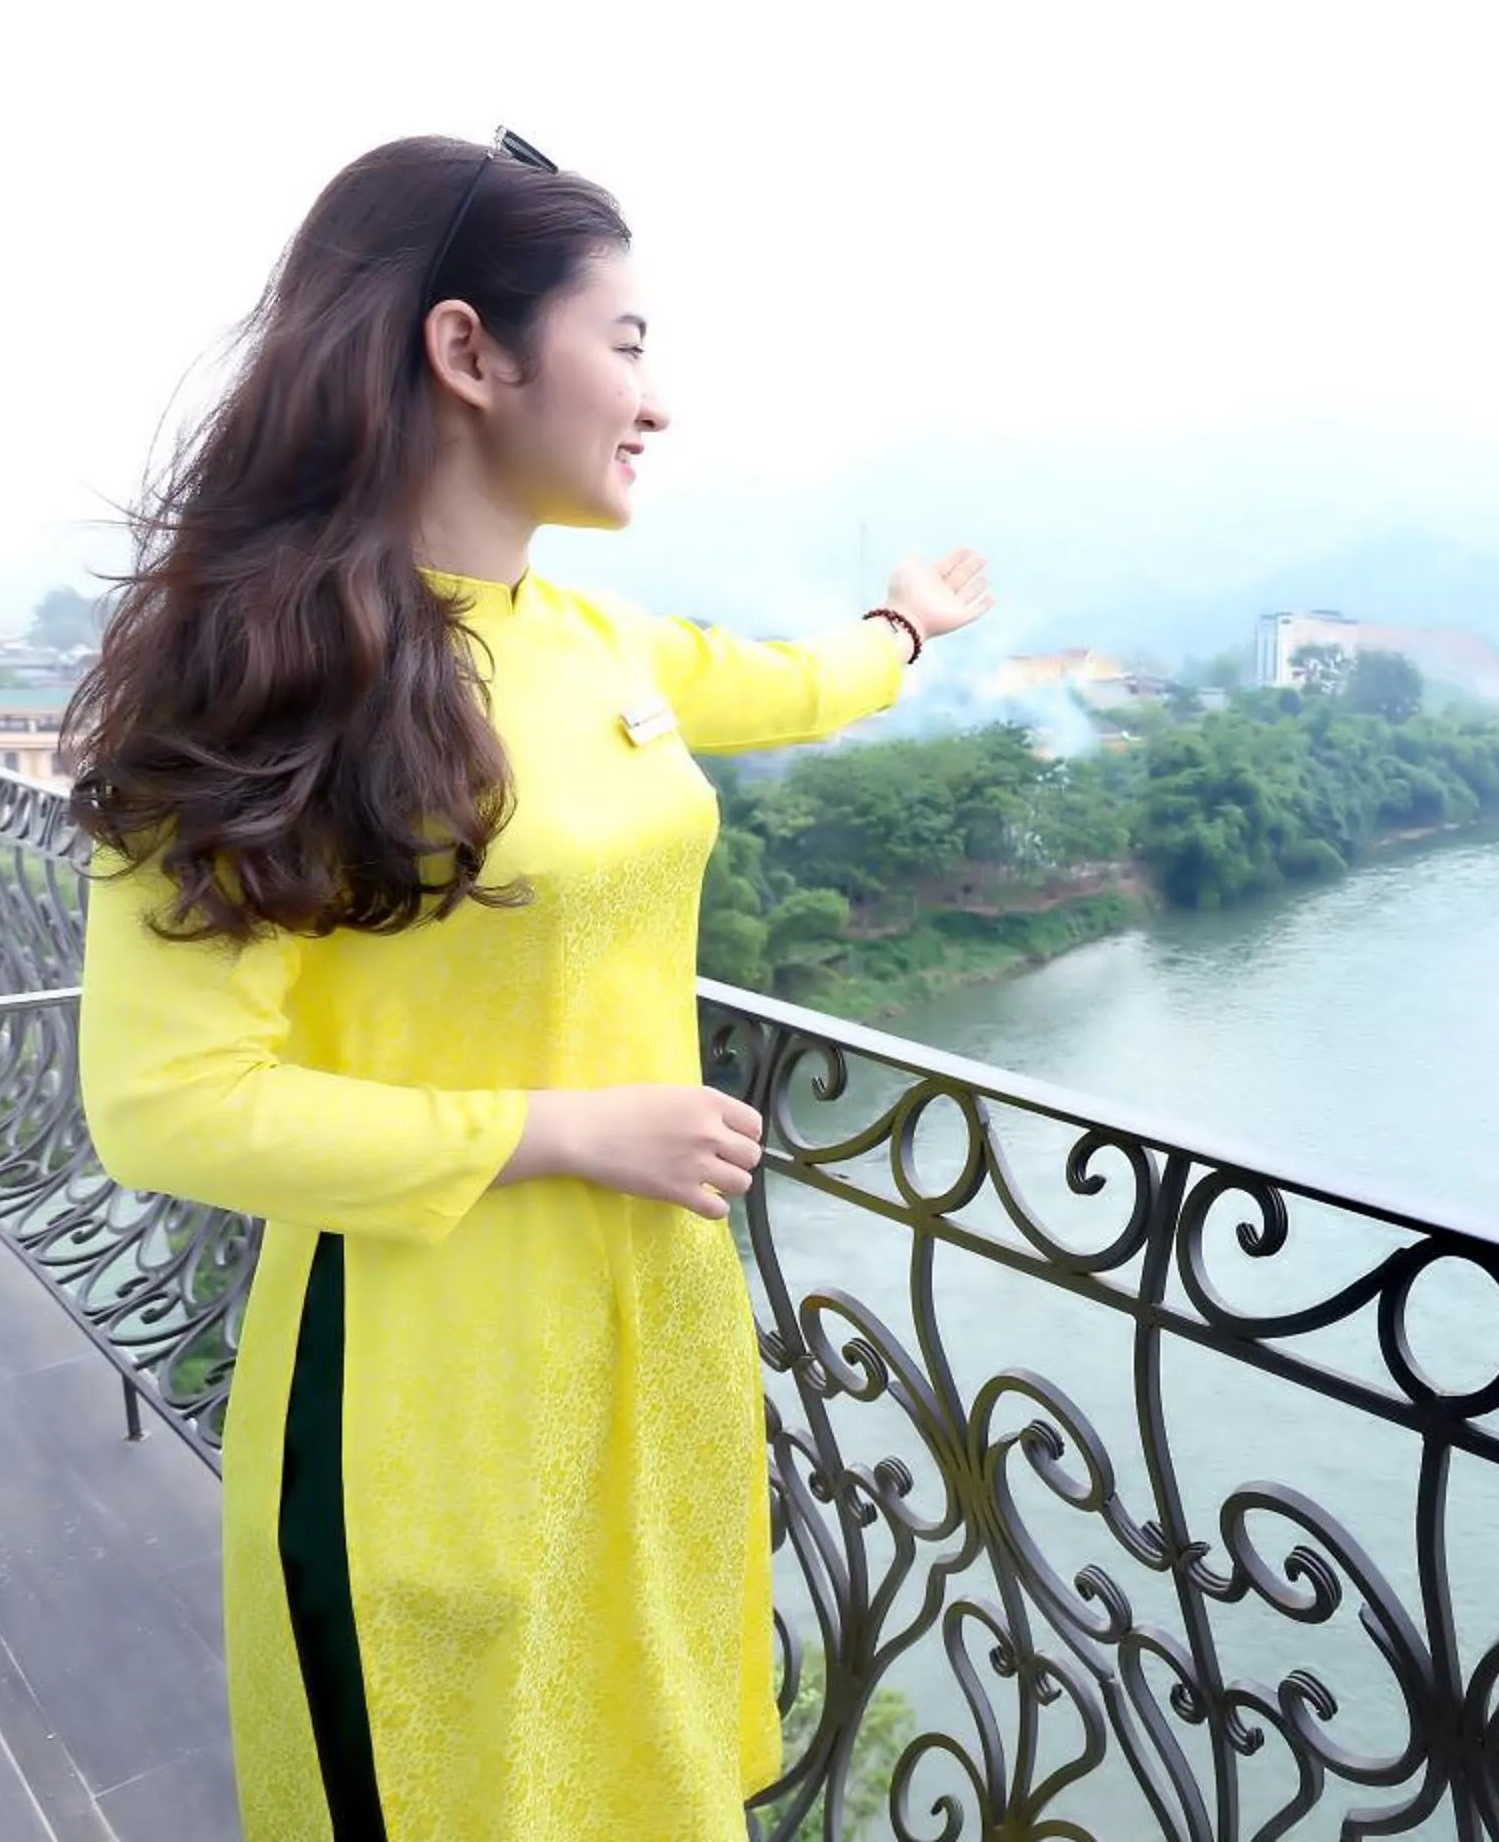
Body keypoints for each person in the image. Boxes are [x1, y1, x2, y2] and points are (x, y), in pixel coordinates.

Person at [64, 130, 993, 1841]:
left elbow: (793, 683)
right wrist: (573, 1133)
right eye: (627, 344)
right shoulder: (268, 680)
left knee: (643, 1773)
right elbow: (166, 1101)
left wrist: (908, 628)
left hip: (645, 1361)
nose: (659, 401)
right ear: (470, 351)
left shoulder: (595, 641)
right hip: (423, 1398)